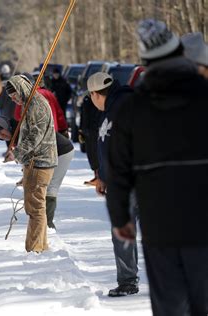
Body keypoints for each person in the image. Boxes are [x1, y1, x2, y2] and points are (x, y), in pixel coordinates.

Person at [106, 19, 208, 315]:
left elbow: (117, 171)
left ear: (146, 63)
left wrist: (120, 217)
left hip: (159, 228)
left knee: (170, 307)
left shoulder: (131, 108)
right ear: (180, 54)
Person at [87, 71, 138, 297]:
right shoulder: (111, 109)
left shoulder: (125, 106)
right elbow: (107, 148)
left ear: (96, 94)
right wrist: (102, 177)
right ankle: (128, 281)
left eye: (91, 97)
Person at [3, 75, 57, 253]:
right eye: (11, 98)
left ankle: (34, 249)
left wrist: (16, 153)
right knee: (35, 207)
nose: (14, 100)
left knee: (35, 208)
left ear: (21, 89)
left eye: (14, 96)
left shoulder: (36, 104)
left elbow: (36, 135)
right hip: (34, 161)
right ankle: (41, 246)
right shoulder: (29, 103)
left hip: (40, 161)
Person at [0, 115, 73, 230]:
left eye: (1, 132)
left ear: (7, 126)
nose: (2, 136)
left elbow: (32, 149)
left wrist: (18, 159)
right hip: (47, 154)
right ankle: (42, 223)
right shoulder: (14, 135)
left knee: (50, 187)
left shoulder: (23, 129)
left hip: (61, 151)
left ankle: (47, 225)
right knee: (41, 185)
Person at [80, 94, 101, 186]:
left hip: (95, 129)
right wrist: (81, 130)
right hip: (87, 130)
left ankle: (100, 177)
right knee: (91, 154)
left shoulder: (99, 97)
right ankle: (97, 176)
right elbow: (83, 115)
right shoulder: (87, 98)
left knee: (96, 153)